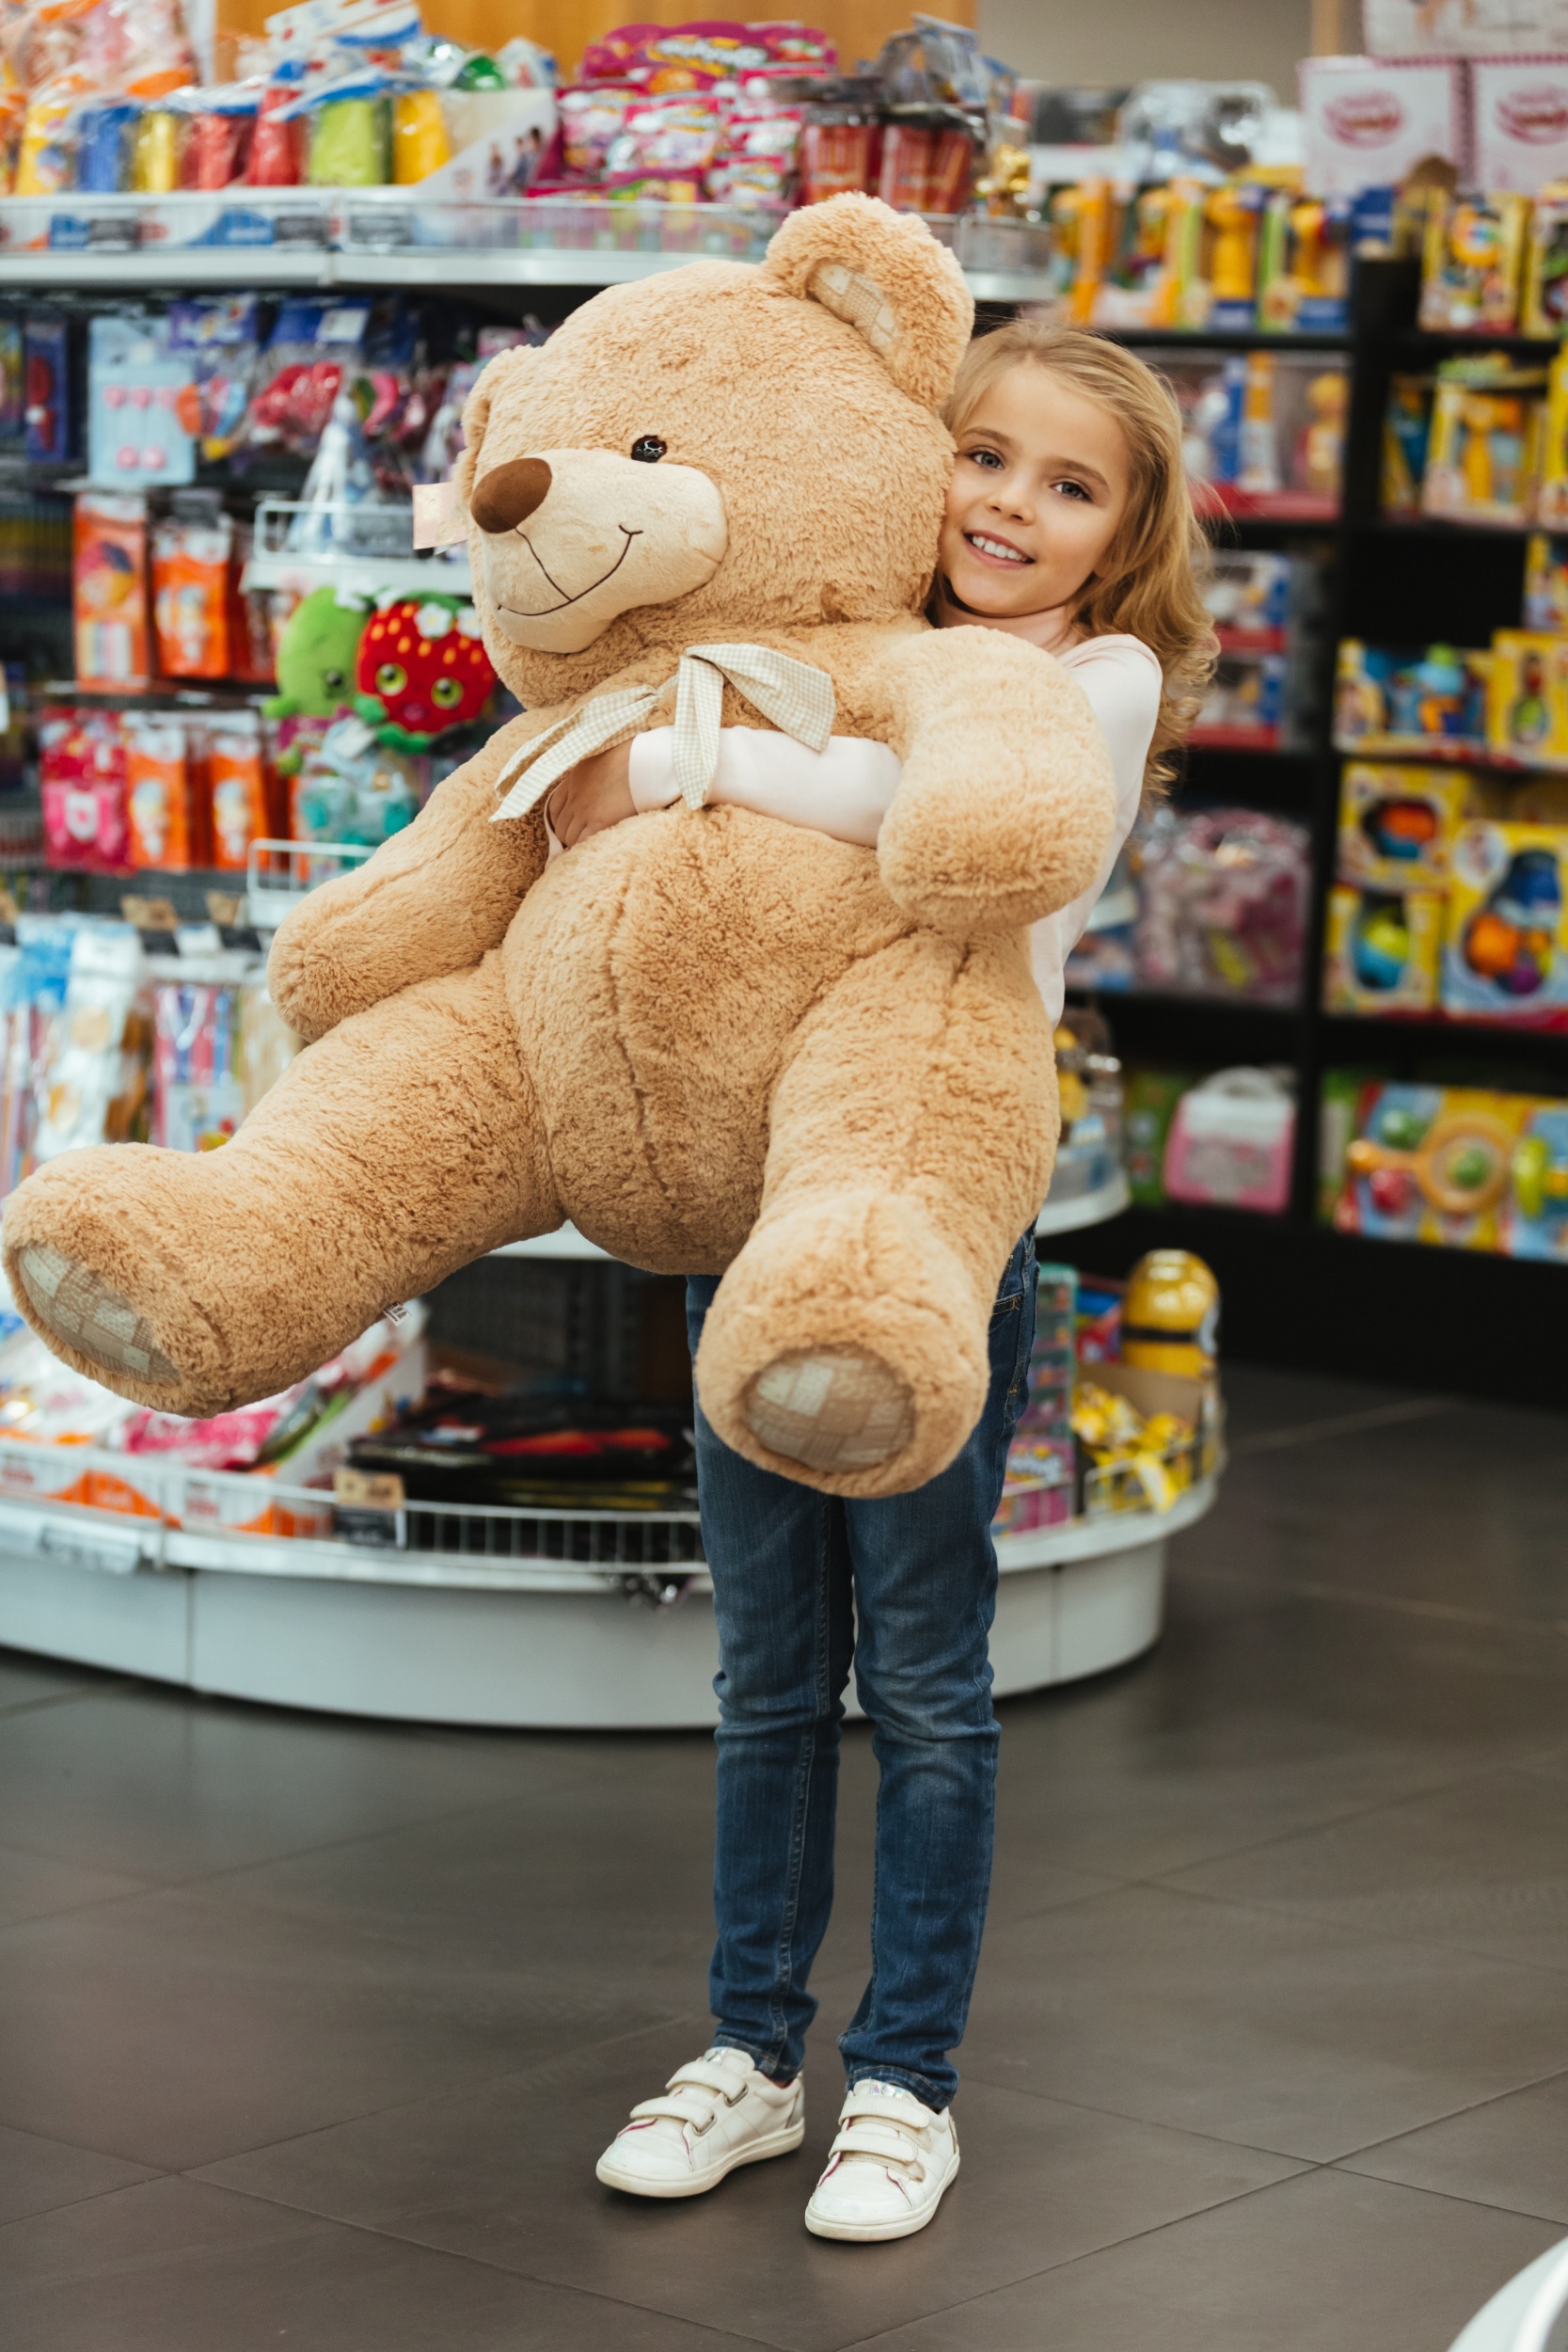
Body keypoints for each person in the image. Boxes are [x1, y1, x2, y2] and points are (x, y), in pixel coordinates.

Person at [548, 321, 1215, 2243]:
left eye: (1065, 483)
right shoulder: (838, 637)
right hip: (757, 1193)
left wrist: (683, 756)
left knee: (923, 1671)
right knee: (768, 1670)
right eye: (982, 455)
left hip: (934, 1214)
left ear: (1123, 534)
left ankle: (905, 2077)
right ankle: (754, 2052)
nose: (1008, 502)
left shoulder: (1090, 682)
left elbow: (908, 825)